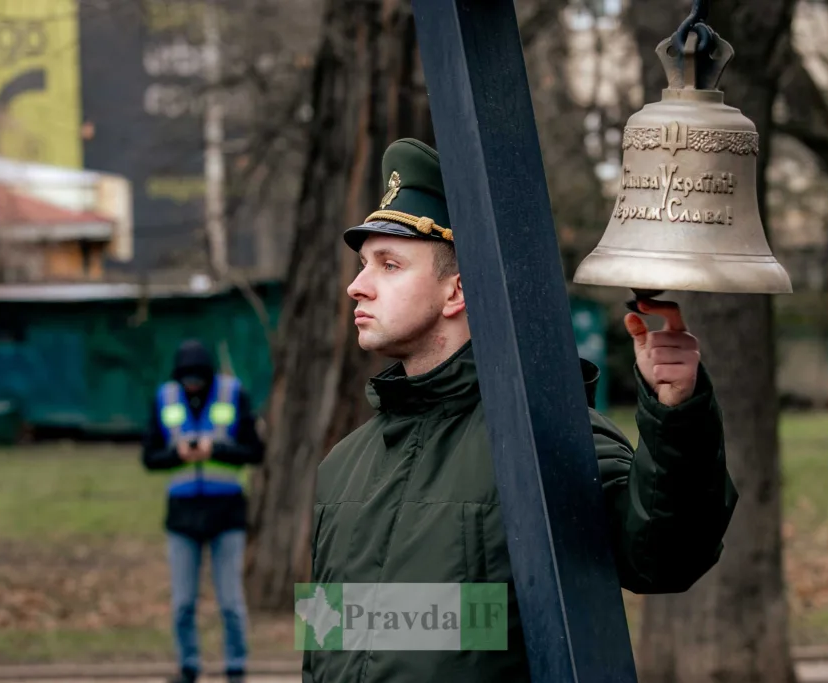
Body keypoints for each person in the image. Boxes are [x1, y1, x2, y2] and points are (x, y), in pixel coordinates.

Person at [301, 138, 739, 683]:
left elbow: (666, 559)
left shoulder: (546, 437)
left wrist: (677, 413)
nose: (356, 286)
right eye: (363, 264)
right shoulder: (342, 466)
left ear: (457, 290)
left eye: (388, 265)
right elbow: (338, 645)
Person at [143, 339, 265, 683]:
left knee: (231, 602)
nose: (192, 383)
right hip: (182, 515)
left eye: (198, 377)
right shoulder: (164, 397)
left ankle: (236, 669)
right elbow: (149, 457)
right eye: (187, 377)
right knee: (182, 603)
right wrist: (177, 455)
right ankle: (189, 667)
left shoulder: (233, 393)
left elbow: (255, 451)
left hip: (227, 513)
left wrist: (216, 450)